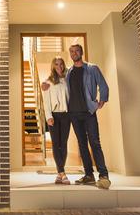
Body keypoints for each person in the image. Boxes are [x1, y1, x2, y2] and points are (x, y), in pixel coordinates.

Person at [42, 43, 111, 189]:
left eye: (76, 51)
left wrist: (102, 100)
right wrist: (45, 84)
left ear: (81, 52)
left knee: (95, 143)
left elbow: (103, 85)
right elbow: (55, 84)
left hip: (88, 113)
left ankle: (103, 175)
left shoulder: (92, 68)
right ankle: (88, 175)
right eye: (71, 51)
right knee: (82, 145)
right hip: (73, 114)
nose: (74, 53)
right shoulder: (70, 72)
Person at [42, 56, 71, 184]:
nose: (59, 67)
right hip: (53, 115)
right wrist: (48, 116)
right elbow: (46, 101)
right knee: (55, 144)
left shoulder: (68, 79)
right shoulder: (48, 82)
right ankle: (63, 173)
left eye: (61, 64)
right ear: (53, 66)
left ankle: (60, 173)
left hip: (66, 115)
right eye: (56, 64)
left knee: (63, 143)